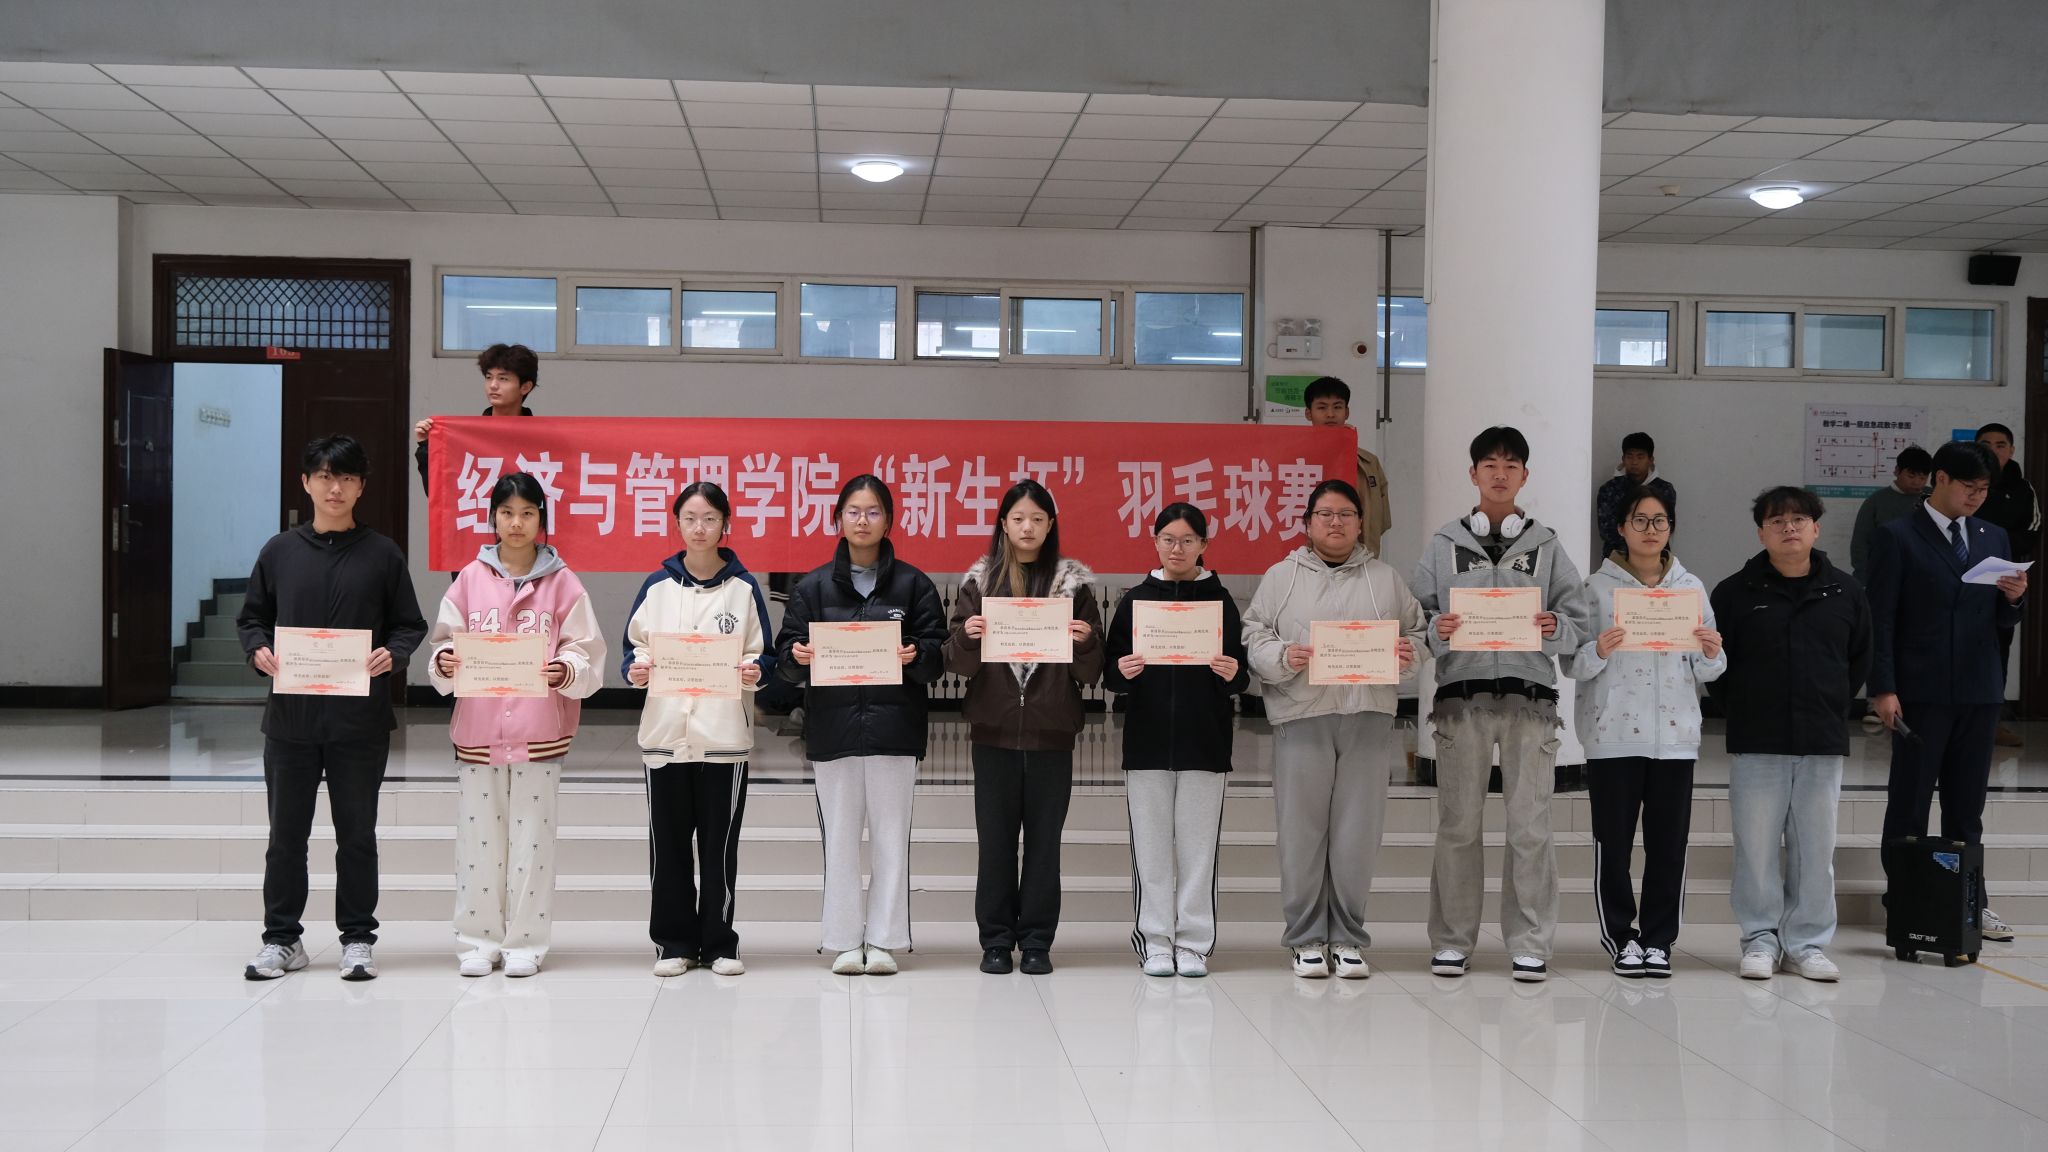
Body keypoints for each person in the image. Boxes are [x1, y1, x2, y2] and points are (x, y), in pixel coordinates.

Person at [237, 435, 427, 981]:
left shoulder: (383, 553)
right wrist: (258, 649)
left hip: (359, 721)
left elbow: (409, 624)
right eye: (323, 476)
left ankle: (358, 939)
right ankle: (282, 939)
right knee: (285, 838)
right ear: (306, 483)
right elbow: (252, 618)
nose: (334, 487)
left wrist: (393, 654)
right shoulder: (279, 551)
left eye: (345, 477)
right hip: (291, 719)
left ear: (361, 486)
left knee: (357, 836)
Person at [1412, 426, 1592, 983]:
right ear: (1473, 474)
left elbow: (1579, 621)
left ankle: (1530, 941)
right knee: (1458, 825)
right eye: (1489, 464)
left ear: (1524, 476)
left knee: (1530, 826)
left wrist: (1554, 626)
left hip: (1529, 703)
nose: (1499, 473)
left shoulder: (1546, 545)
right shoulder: (1443, 545)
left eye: (1510, 465)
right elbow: (1416, 621)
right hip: (1460, 702)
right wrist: (1437, 631)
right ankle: (1452, 941)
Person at [1242, 482, 1426, 979]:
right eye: (1325, 514)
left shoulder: (1384, 579)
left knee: (1357, 834)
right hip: (1302, 715)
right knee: (1301, 833)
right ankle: (1305, 939)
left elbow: (1417, 633)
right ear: (1307, 523)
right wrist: (1283, 657)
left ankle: (1347, 938)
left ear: (1360, 523)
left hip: (1368, 717)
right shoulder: (1281, 577)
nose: (1336, 522)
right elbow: (1253, 634)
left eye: (1346, 514)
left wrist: (1408, 654)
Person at [426, 472, 606, 978]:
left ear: (541, 519)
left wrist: (566, 668)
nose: (517, 523)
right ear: (493, 517)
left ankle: (526, 941)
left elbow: (585, 647)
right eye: (507, 512)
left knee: (533, 842)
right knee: (477, 841)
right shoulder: (469, 578)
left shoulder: (564, 582)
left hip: (539, 732)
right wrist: (444, 661)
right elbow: (444, 641)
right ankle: (477, 940)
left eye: (527, 513)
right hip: (479, 732)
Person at [776, 475, 949, 976]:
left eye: (873, 511)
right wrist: (797, 656)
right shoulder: (812, 587)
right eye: (853, 511)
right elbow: (785, 657)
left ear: (889, 521)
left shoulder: (914, 585)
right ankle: (844, 940)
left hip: (895, 731)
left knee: (891, 838)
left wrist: (918, 655)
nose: (862, 520)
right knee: (840, 840)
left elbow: (937, 656)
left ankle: (886, 940)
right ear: (838, 519)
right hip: (833, 732)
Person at [1561, 487, 1725, 978]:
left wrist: (1712, 651)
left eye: (1659, 521)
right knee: (1613, 843)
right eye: (1640, 520)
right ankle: (1621, 937)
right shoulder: (1594, 590)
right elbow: (1572, 663)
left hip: (1675, 739)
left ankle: (1658, 940)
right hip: (1612, 735)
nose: (1650, 530)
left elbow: (1709, 669)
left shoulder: (1690, 588)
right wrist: (1599, 650)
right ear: (1621, 528)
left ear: (1670, 528)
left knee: (1669, 845)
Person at [943, 480, 1104, 976]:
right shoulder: (980, 583)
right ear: (1004, 525)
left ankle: (1036, 940)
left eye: (1037, 518)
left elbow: (1091, 672)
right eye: (1018, 519)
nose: (1027, 527)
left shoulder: (1073, 587)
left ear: (1050, 525)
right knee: (994, 843)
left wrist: (1085, 642)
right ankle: (995, 940)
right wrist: (967, 638)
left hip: (1052, 732)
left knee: (1044, 844)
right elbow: (957, 663)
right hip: (993, 731)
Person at [1867, 441, 2026, 944]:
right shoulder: (1897, 536)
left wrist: (2014, 600)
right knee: (1910, 803)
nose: (1977, 497)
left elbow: (2001, 620)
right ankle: (1905, 902)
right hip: (1920, 690)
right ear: (1941, 479)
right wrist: (1883, 687)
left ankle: (1972, 904)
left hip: (1979, 688)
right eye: (1969, 487)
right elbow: (1881, 619)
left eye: (1984, 489)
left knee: (1967, 806)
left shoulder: (1992, 534)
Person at [1710, 486, 1870, 982]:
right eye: (1777, 521)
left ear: (1816, 529)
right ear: (1761, 533)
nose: (1789, 528)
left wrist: (1829, 705)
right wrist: (1745, 710)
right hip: (1757, 739)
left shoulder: (1846, 591)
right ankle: (1760, 939)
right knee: (1756, 850)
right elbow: (1716, 666)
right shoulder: (1734, 593)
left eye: (1799, 519)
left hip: (1821, 739)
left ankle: (1807, 943)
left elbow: (1858, 660)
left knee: (1816, 851)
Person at [622, 482, 773, 978]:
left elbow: (763, 655)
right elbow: (634, 649)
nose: (700, 528)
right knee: (667, 846)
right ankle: (673, 943)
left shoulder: (744, 589)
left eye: (710, 518)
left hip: (724, 740)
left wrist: (755, 671)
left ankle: (720, 942)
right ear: (677, 524)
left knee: (718, 848)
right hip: (665, 736)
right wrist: (636, 668)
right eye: (690, 518)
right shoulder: (656, 587)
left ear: (726, 524)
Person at [1104, 503, 1252, 978]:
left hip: (1205, 743)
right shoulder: (1135, 601)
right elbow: (1111, 673)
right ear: (1155, 541)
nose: (1177, 549)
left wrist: (1232, 674)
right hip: (1146, 744)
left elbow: (1241, 675)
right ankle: (1154, 940)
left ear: (1204, 545)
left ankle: (1193, 942)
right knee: (1149, 851)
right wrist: (1122, 672)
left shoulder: (1221, 602)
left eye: (1188, 540)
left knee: (1198, 851)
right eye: (1168, 539)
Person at [1972, 423, 2038, 747]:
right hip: (1961, 576)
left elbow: (2032, 532)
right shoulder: (1964, 481)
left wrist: (1993, 542)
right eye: (1986, 443)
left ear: (2011, 450)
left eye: (2001, 444)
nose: (1993, 450)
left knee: (1997, 649)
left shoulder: (2023, 488)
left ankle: (1992, 722)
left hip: (2004, 581)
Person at [413, 343, 538, 494]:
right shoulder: (466, 438)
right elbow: (441, 494)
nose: (493, 385)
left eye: (503, 378)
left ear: (525, 387)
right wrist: (426, 445)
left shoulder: (540, 437)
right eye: (489, 377)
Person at [1301, 376, 1392, 557]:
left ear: (1347, 412)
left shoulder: (1368, 463)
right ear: (1308, 414)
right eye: (1322, 407)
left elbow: (1381, 519)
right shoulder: (1294, 459)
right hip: (1307, 557)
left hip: (1359, 556)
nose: (1330, 414)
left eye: (1337, 407)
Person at [1850, 446, 1932, 583]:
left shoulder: (1934, 497)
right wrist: (1863, 577)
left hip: (1926, 575)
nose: (1917, 482)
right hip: (1885, 573)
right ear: (1897, 471)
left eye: (1923, 478)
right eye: (1911, 476)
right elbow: (1860, 543)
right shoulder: (1876, 501)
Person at [1595, 432, 1678, 561]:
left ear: (1650, 460)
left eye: (1640, 457)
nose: (1634, 462)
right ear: (1623, 459)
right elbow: (1607, 531)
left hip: (1656, 558)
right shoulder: (1609, 489)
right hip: (1618, 559)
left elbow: (1665, 526)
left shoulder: (1664, 489)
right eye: (1630, 456)